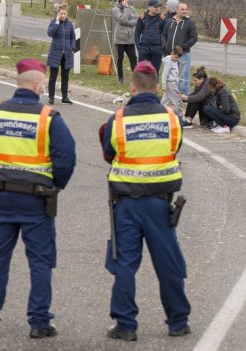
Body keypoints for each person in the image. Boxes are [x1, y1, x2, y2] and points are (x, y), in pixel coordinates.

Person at [0, 58, 76, 338]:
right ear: (38, 85)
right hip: (37, 200)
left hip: (0, 197)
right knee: (40, 261)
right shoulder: (48, 118)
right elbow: (66, 159)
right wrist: (55, 185)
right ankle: (39, 322)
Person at [99, 60, 191, 342]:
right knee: (168, 263)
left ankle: (126, 325)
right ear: (158, 87)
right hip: (160, 203)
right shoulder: (172, 118)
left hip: (126, 201)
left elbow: (108, 152)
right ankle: (177, 321)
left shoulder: (118, 118)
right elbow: (175, 148)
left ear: (133, 86)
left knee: (126, 263)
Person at [163, 2, 198, 95]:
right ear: (177, 10)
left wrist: (183, 47)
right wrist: (165, 46)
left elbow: (194, 38)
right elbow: (163, 35)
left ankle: (183, 95)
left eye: (186, 9)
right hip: (170, 54)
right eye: (182, 9)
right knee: (171, 75)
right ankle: (171, 93)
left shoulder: (190, 23)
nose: (184, 11)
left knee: (183, 76)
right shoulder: (170, 21)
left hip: (183, 55)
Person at [46, 4, 75, 104]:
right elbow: (50, 33)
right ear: (58, 14)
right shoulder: (54, 22)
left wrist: (72, 47)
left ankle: (65, 97)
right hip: (55, 52)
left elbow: (73, 37)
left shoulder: (70, 24)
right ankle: (51, 97)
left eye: (65, 13)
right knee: (53, 76)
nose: (63, 15)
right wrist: (57, 22)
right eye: (61, 13)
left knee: (65, 76)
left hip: (66, 53)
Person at [111, 0, 138, 85]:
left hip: (130, 38)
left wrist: (127, 23)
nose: (127, 0)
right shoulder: (115, 9)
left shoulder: (131, 8)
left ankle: (136, 79)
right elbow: (121, 19)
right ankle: (121, 78)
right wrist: (126, 9)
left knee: (133, 58)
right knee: (120, 59)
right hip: (120, 39)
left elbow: (136, 20)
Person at [134, 0, 166, 73]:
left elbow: (165, 34)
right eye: (155, 6)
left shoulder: (162, 19)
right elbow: (137, 33)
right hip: (144, 48)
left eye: (158, 6)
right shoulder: (142, 18)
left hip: (157, 48)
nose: (157, 8)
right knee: (142, 72)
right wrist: (139, 47)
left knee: (155, 72)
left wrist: (162, 47)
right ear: (149, 7)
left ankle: (154, 84)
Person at [160, 46, 186, 124]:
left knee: (165, 101)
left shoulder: (174, 60)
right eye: (176, 57)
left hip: (172, 83)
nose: (177, 59)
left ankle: (159, 114)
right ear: (172, 53)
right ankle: (179, 118)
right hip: (170, 83)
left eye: (178, 58)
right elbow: (165, 74)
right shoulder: (169, 61)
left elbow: (175, 73)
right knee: (177, 100)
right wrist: (164, 84)